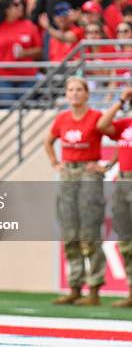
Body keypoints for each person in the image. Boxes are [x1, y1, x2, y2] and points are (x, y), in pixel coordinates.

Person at [44, 77, 109, 306]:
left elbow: (119, 137)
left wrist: (107, 166)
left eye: (79, 90)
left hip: (89, 174)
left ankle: (94, 288)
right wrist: (55, 162)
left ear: (86, 94)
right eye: (70, 90)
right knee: (69, 232)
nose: (74, 94)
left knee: (89, 232)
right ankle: (75, 286)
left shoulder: (96, 118)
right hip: (68, 174)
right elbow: (48, 141)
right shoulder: (62, 118)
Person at [97, 87, 132, 308]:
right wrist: (121, 100)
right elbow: (102, 126)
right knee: (126, 238)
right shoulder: (126, 124)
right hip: (124, 180)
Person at [0, 0, 42, 105]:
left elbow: (39, 50)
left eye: (22, 4)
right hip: (2, 77)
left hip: (27, 77)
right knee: (7, 110)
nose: (20, 7)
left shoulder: (29, 25)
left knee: (24, 111)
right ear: (6, 8)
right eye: (16, 5)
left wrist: (25, 53)